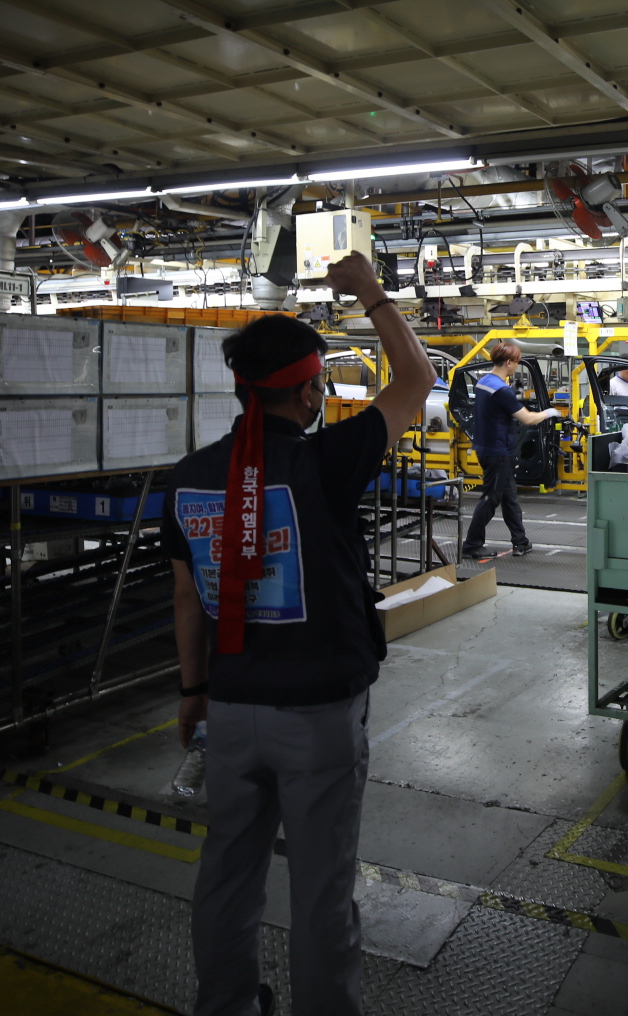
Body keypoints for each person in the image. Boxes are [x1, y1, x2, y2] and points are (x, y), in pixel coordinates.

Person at [165, 252, 434, 1016]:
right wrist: (370, 292)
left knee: (227, 872)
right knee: (321, 889)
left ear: (242, 389)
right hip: (316, 715)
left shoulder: (188, 476)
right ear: (311, 390)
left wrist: (193, 690)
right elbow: (415, 381)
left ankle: (225, 1007)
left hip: (230, 707)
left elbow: (186, 597)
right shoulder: (330, 461)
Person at [462, 341, 558, 560]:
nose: (516, 366)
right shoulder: (501, 390)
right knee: (491, 498)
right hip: (496, 450)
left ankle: (520, 541)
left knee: (509, 497)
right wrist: (549, 413)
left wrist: (512, 394)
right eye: (516, 362)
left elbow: (495, 408)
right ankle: (471, 545)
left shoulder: (484, 382)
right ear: (508, 362)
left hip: (487, 447)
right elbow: (527, 418)